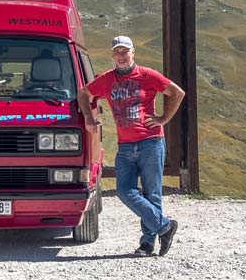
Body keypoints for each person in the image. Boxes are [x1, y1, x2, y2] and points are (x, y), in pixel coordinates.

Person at [78, 35, 186, 257]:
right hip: (125, 146)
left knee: (152, 194)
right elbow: (83, 93)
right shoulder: (107, 80)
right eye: (117, 52)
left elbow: (177, 93)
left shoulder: (147, 75)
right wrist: (88, 117)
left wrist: (163, 118)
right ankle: (165, 226)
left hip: (151, 142)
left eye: (124, 52)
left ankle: (147, 244)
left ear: (132, 53)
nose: (121, 56)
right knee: (124, 191)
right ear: (113, 55)